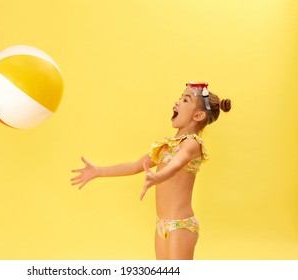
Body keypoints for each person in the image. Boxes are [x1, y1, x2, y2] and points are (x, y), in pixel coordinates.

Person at [71, 82, 231, 259]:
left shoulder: (192, 144)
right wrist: (99, 171)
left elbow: (177, 164)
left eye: (185, 100)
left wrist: (157, 177)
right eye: (180, 97)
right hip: (161, 224)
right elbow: (135, 166)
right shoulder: (165, 146)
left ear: (198, 115)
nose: (177, 102)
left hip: (180, 226)